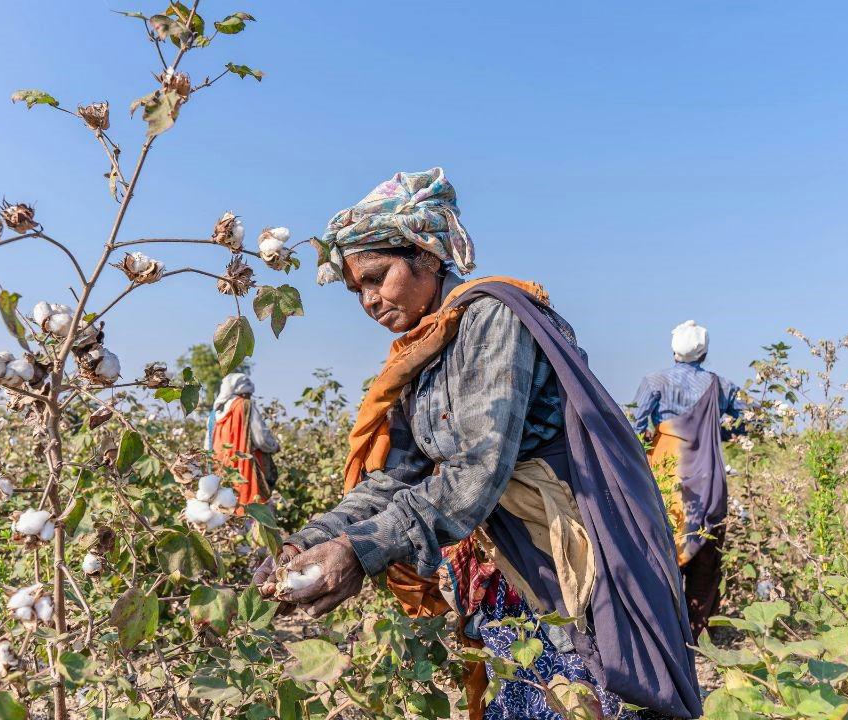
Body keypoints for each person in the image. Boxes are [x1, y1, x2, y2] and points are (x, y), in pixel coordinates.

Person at [252, 168, 702, 720]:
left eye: (377, 277)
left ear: (426, 255)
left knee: (576, 691)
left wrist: (357, 551)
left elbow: (474, 473)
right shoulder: (425, 353)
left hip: (560, 559)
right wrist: (310, 540)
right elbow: (398, 477)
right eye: (357, 291)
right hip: (502, 563)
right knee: (520, 691)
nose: (369, 300)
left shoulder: (492, 319)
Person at [631, 320, 744, 639]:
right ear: (704, 351)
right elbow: (745, 425)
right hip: (708, 479)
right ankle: (694, 636)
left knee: (662, 548)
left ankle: (661, 630)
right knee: (706, 557)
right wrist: (713, 430)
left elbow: (637, 431)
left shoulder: (654, 382)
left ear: (673, 350)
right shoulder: (721, 386)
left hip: (666, 476)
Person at [206, 372, 280, 507]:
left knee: (225, 511)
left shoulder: (213, 414)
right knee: (251, 510)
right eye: (248, 394)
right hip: (244, 471)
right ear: (243, 392)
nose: (249, 397)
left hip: (221, 471)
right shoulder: (245, 406)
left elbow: (207, 447)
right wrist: (274, 446)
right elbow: (261, 438)